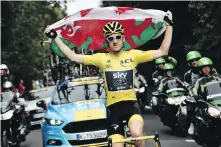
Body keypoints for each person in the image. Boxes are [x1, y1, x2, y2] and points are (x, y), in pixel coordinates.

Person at [44, 11, 173, 147]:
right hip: (113, 111)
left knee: (136, 134)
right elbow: (73, 57)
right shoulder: (101, 58)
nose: (115, 41)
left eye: (118, 37)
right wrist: (55, 37)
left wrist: (169, 26)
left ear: (123, 39)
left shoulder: (133, 55)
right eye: (111, 38)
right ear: (106, 41)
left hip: (131, 107)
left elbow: (162, 51)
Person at [187, 57, 221, 135]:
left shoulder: (217, 78)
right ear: (200, 70)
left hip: (217, 100)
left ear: (211, 68)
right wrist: (195, 96)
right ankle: (192, 124)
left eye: (208, 67)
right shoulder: (199, 81)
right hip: (205, 101)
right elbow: (194, 89)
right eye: (204, 68)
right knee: (194, 108)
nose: (206, 69)